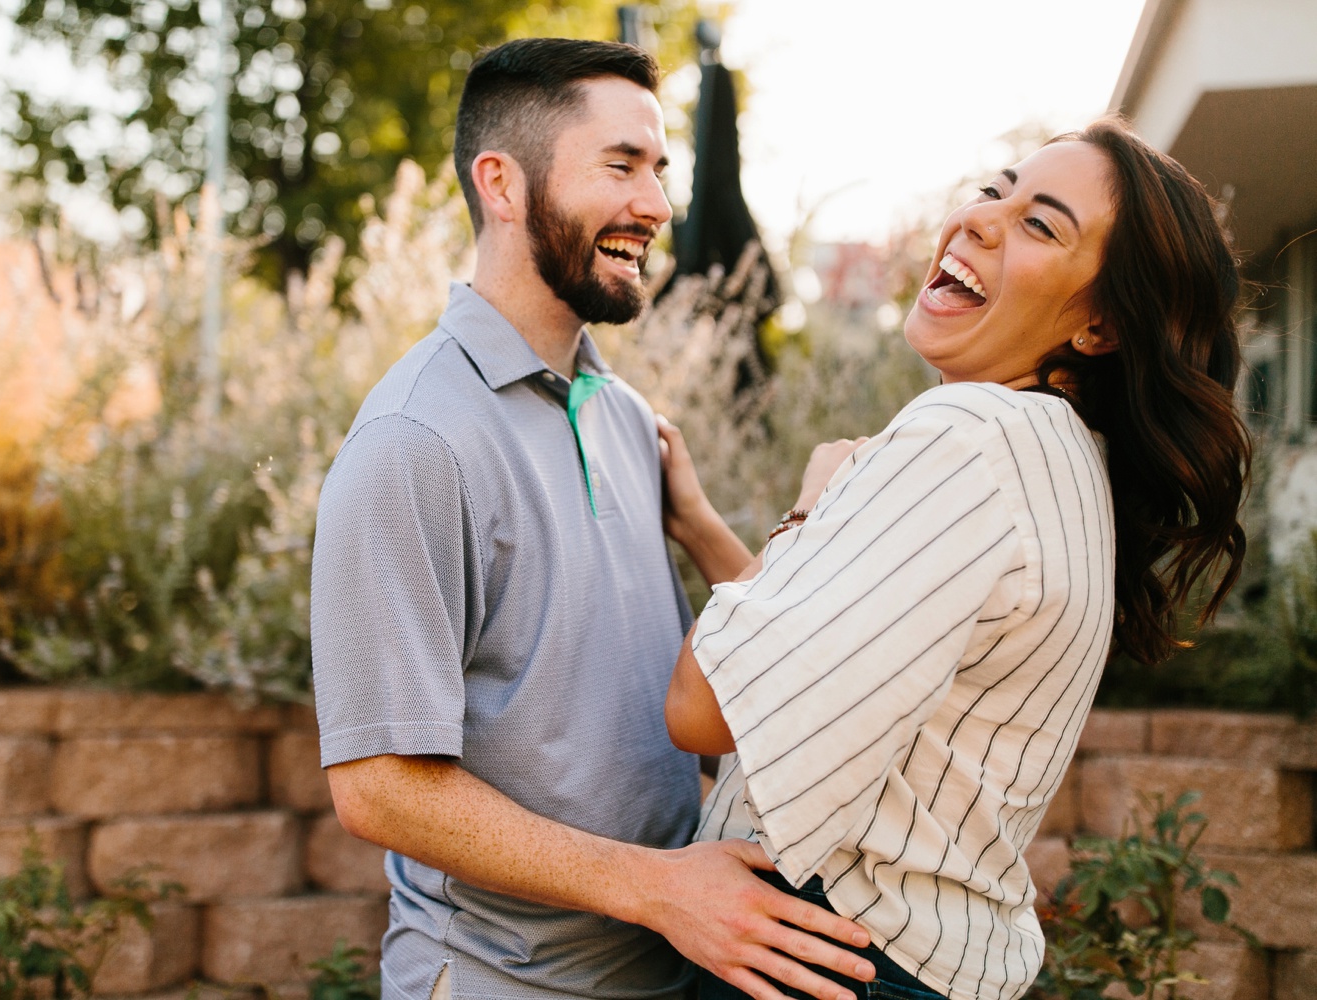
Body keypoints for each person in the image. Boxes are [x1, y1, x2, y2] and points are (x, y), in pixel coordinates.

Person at [310, 37, 877, 1000]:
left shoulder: (618, 414)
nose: (656, 205)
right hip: (505, 982)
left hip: (672, 967)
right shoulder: (413, 441)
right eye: (620, 166)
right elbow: (379, 787)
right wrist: (659, 889)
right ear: (501, 183)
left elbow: (690, 690)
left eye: (659, 170)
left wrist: (696, 522)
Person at [660, 116, 1250, 1000]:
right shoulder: (1066, 459)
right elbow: (827, 661)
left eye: (1041, 224)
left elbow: (704, 710)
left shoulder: (968, 438)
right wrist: (705, 527)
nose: (981, 220)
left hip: (822, 952)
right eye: (995, 190)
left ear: (1098, 327)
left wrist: (811, 506)